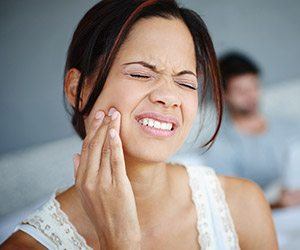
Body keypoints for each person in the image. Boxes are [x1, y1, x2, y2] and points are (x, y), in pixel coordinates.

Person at [1, 1, 278, 249]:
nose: (169, 98)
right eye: (140, 73)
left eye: (185, 82)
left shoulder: (243, 205)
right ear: (77, 89)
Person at [202, 51, 300, 208]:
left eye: (254, 87)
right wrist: (279, 204)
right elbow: (232, 203)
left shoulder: (290, 128)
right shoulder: (221, 145)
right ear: (224, 95)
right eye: (241, 91)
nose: (250, 96)